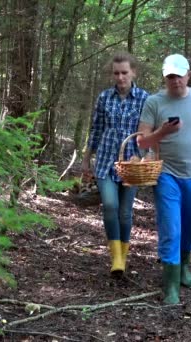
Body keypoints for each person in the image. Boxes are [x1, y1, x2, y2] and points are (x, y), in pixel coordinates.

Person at [137, 54, 191, 304]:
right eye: (170, 76)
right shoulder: (154, 103)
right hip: (166, 174)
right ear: (165, 78)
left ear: (188, 75)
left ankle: (184, 266)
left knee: (190, 226)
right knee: (171, 228)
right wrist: (163, 131)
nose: (175, 81)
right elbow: (141, 141)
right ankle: (171, 286)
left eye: (179, 75)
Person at [82, 52, 149, 276]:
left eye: (124, 73)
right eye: (116, 73)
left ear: (133, 72)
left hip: (132, 163)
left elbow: (147, 132)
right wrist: (86, 158)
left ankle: (124, 254)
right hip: (105, 161)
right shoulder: (104, 98)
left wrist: (144, 155)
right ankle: (116, 258)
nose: (120, 77)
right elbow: (96, 129)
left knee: (125, 212)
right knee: (110, 206)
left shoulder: (144, 98)